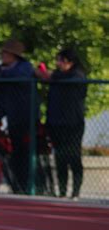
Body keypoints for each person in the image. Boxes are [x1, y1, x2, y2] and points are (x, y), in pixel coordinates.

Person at [0, 39, 35, 194]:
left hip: (24, 117)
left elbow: (19, 75)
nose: (3, 56)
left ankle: (26, 186)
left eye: (6, 53)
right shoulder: (2, 68)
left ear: (14, 55)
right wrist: (0, 69)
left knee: (24, 153)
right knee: (11, 153)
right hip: (8, 117)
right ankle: (17, 186)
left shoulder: (24, 67)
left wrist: (3, 72)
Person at [38, 49, 87, 199]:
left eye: (60, 60)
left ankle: (76, 192)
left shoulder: (77, 74)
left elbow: (68, 78)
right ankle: (63, 191)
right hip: (56, 123)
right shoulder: (57, 77)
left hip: (73, 124)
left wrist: (51, 76)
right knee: (60, 159)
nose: (58, 64)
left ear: (69, 61)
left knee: (73, 157)